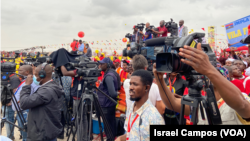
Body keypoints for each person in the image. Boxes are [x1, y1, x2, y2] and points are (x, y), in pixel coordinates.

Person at [153, 43, 250, 125]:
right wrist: (159, 79)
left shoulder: (239, 99)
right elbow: (172, 103)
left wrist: (209, 70)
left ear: (224, 78)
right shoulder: (202, 103)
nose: (205, 76)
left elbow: (242, 105)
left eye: (214, 74)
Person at [115, 70, 165, 141]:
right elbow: (132, 134)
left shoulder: (155, 118)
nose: (130, 87)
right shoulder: (132, 107)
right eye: (130, 84)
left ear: (146, 88)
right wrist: (120, 138)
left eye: (135, 84)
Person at [20, 64, 63, 141]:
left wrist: (26, 85)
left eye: (35, 74)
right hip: (46, 131)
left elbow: (24, 103)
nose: (34, 77)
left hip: (42, 135)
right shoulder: (51, 86)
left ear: (42, 75)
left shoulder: (46, 91)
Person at [12, 65, 40, 141]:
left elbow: (34, 95)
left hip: (25, 112)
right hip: (20, 111)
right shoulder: (26, 81)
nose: (18, 72)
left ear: (27, 72)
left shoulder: (32, 82)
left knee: (26, 135)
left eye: (20, 71)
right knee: (23, 132)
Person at [98, 57, 120, 141]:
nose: (100, 65)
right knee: (111, 126)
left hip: (107, 105)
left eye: (102, 64)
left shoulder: (108, 76)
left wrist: (115, 94)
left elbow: (113, 93)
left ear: (107, 65)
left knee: (109, 128)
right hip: (109, 105)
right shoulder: (112, 73)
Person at [1, 74, 21, 140]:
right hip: (5, 102)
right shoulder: (3, 77)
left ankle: (9, 137)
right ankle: (10, 136)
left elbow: (16, 91)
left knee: (9, 120)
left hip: (10, 104)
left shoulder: (14, 78)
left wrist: (11, 102)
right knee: (8, 120)